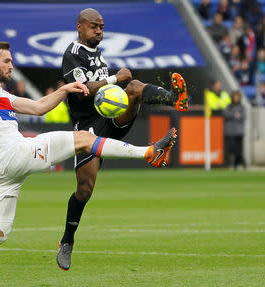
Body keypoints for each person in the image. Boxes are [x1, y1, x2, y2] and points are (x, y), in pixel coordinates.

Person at [0, 40, 178, 287]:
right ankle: (148, 153)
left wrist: (65, 88)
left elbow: (38, 107)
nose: (11, 65)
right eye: (6, 61)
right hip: (14, 153)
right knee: (83, 139)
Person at [56, 8, 189, 271]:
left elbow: (110, 85)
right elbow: (81, 91)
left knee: (134, 87)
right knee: (85, 189)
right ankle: (67, 240)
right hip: (88, 127)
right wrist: (115, 78)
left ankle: (175, 99)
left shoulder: (97, 53)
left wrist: (118, 83)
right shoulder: (72, 54)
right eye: (94, 26)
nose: (99, 31)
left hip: (111, 118)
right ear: (80, 27)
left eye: (102, 27)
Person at [223, 90, 246, 169]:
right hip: (230, 132)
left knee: (239, 150)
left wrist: (234, 115)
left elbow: (243, 116)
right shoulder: (229, 106)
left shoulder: (241, 107)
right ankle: (240, 163)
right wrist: (234, 114)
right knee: (232, 149)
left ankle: (238, 164)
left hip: (239, 132)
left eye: (237, 97)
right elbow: (226, 114)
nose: (236, 98)